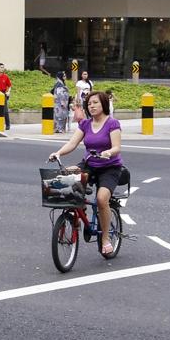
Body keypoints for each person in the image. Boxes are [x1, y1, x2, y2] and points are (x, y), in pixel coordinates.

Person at [49, 91, 123, 257]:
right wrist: (58, 153)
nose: (92, 106)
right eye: (89, 104)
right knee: (67, 176)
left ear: (103, 104)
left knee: (102, 199)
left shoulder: (112, 123)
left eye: (95, 103)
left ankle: (105, 239)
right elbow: (73, 143)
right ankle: (79, 208)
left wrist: (108, 153)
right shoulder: (85, 124)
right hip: (90, 163)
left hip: (109, 166)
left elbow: (117, 147)